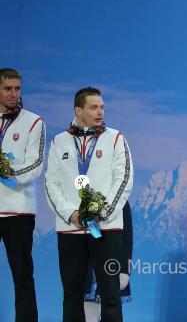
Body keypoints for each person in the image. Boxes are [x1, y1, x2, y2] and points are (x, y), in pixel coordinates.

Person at [45, 87, 133, 322]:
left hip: (105, 229)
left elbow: (123, 180)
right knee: (72, 294)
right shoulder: (59, 142)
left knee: (111, 294)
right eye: (94, 107)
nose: (100, 112)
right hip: (70, 229)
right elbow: (50, 184)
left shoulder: (116, 138)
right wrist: (71, 214)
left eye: (102, 107)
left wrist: (101, 213)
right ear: (78, 110)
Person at [0, 68, 45, 322]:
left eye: (18, 88)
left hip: (18, 210)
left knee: (22, 276)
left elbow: (35, 165)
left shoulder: (34, 122)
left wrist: (6, 170)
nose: (14, 94)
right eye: (8, 88)